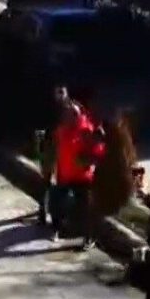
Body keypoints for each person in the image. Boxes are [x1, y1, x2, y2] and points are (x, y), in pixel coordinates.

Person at [49, 101, 96, 246]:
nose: (70, 117)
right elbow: (56, 150)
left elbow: (96, 152)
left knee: (86, 208)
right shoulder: (61, 130)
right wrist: (53, 169)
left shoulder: (87, 130)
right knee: (55, 202)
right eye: (68, 114)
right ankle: (57, 230)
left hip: (82, 177)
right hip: (64, 174)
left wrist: (86, 161)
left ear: (79, 115)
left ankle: (89, 237)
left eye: (74, 114)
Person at [38, 85, 72, 225]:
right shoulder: (50, 108)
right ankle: (43, 210)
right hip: (50, 145)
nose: (60, 94)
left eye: (62, 91)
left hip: (63, 147)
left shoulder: (70, 109)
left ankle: (56, 214)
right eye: (58, 91)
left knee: (60, 182)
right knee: (47, 180)